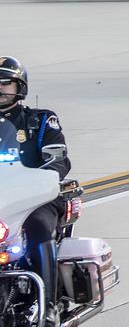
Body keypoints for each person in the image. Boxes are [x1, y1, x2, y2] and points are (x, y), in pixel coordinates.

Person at [0, 56, 69, 327]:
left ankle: (48, 304)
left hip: (35, 199)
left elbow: (60, 159)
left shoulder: (39, 121)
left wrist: (52, 171)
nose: (1, 88)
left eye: (7, 83)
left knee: (39, 228)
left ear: (20, 87)